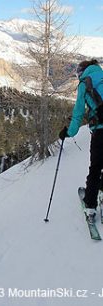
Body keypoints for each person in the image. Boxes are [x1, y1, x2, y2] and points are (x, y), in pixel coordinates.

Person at [59, 59, 103, 223]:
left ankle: (90, 207)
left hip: (100, 131)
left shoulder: (85, 83)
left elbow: (78, 113)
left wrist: (68, 132)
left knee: (96, 168)